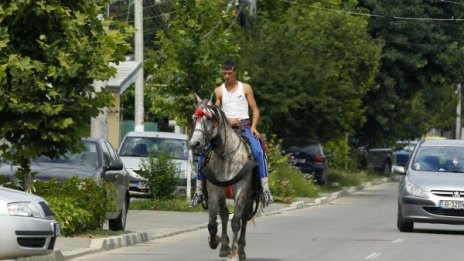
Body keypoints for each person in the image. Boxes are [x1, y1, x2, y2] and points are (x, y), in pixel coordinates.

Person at [190, 60, 274, 207]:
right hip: (225, 127)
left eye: (229, 73)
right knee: (204, 153)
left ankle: (265, 190)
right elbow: (214, 114)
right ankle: (198, 192)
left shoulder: (246, 88)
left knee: (258, 151)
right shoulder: (218, 91)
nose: (227, 76)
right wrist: (228, 119)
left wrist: (254, 126)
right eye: (224, 73)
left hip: (245, 126)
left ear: (235, 72)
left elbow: (255, 110)